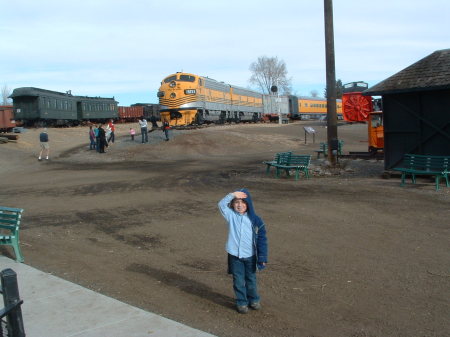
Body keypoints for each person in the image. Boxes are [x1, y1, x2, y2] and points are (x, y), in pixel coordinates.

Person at [218, 189, 268, 314]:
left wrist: (262, 257)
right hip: (235, 256)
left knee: (251, 280)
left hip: (250, 256)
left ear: (248, 204)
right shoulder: (231, 216)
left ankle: (254, 300)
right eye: (236, 202)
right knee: (238, 280)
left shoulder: (256, 220)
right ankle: (241, 302)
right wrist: (232, 195)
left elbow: (262, 239)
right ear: (232, 204)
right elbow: (221, 205)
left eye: (243, 202)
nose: (239, 205)